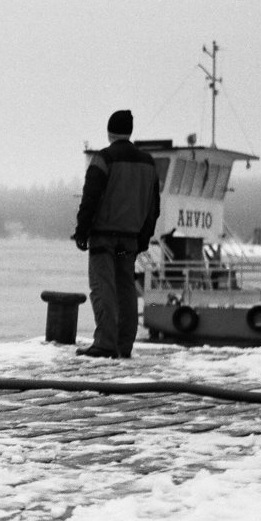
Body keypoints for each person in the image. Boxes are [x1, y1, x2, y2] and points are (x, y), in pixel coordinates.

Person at [72, 109, 161, 359]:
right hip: (128, 242)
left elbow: (90, 198)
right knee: (125, 288)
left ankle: (105, 343)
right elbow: (154, 206)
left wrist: (82, 230)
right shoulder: (148, 163)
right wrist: (144, 237)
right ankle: (124, 344)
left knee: (103, 287)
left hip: (104, 239)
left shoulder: (103, 159)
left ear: (109, 131)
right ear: (130, 131)